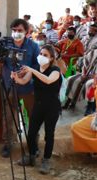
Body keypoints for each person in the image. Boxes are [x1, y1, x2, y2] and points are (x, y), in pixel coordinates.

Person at [14, 44, 61, 173]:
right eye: (41, 54)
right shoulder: (34, 68)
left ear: (51, 58)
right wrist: (16, 77)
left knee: (49, 134)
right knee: (31, 132)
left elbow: (47, 80)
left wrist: (32, 70)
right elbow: (23, 81)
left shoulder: (55, 70)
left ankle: (46, 160)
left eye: (45, 55)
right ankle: (31, 155)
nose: (41, 57)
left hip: (52, 106)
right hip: (38, 104)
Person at [0, 18, 40, 157]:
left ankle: (33, 144)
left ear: (27, 32)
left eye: (20, 31)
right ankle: (8, 143)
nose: (16, 33)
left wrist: (27, 70)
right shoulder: (6, 44)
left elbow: (38, 65)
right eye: (14, 30)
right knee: (9, 116)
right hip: (9, 85)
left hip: (28, 87)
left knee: (32, 116)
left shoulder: (33, 46)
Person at [62, 34, 97, 111]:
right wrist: (83, 74)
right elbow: (85, 64)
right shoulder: (93, 52)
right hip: (86, 74)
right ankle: (70, 101)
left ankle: (90, 106)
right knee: (71, 79)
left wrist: (96, 76)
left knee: (90, 84)